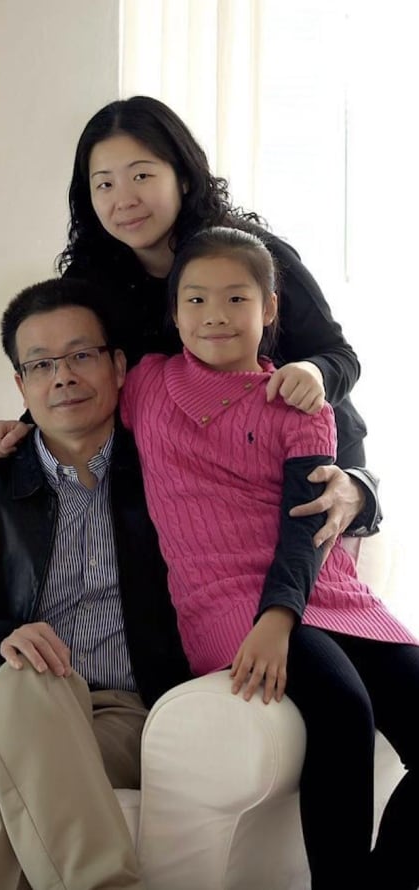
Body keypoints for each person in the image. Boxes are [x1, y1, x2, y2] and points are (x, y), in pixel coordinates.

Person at [0, 96, 378, 549]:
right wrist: (16, 438)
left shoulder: (250, 256)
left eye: (142, 175)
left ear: (183, 176)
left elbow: (338, 356)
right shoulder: (93, 282)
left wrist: (315, 380)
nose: (124, 199)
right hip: (199, 480)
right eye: (104, 184)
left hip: (312, 471)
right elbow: (80, 371)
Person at [120, 225, 419, 890]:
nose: (214, 317)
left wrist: (283, 614)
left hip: (319, 587)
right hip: (224, 598)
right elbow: (69, 403)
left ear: (271, 308)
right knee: (343, 710)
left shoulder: (299, 400)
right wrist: (8, 435)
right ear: (173, 312)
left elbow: (304, 526)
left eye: (235, 299)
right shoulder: (146, 385)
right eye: (195, 301)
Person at [0, 278, 192, 890]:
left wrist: (357, 489)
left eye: (81, 355)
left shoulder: (172, 477)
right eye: (41, 364)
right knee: (33, 675)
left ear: (117, 367)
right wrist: (1, 641)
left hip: (123, 712)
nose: (62, 377)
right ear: (21, 386)